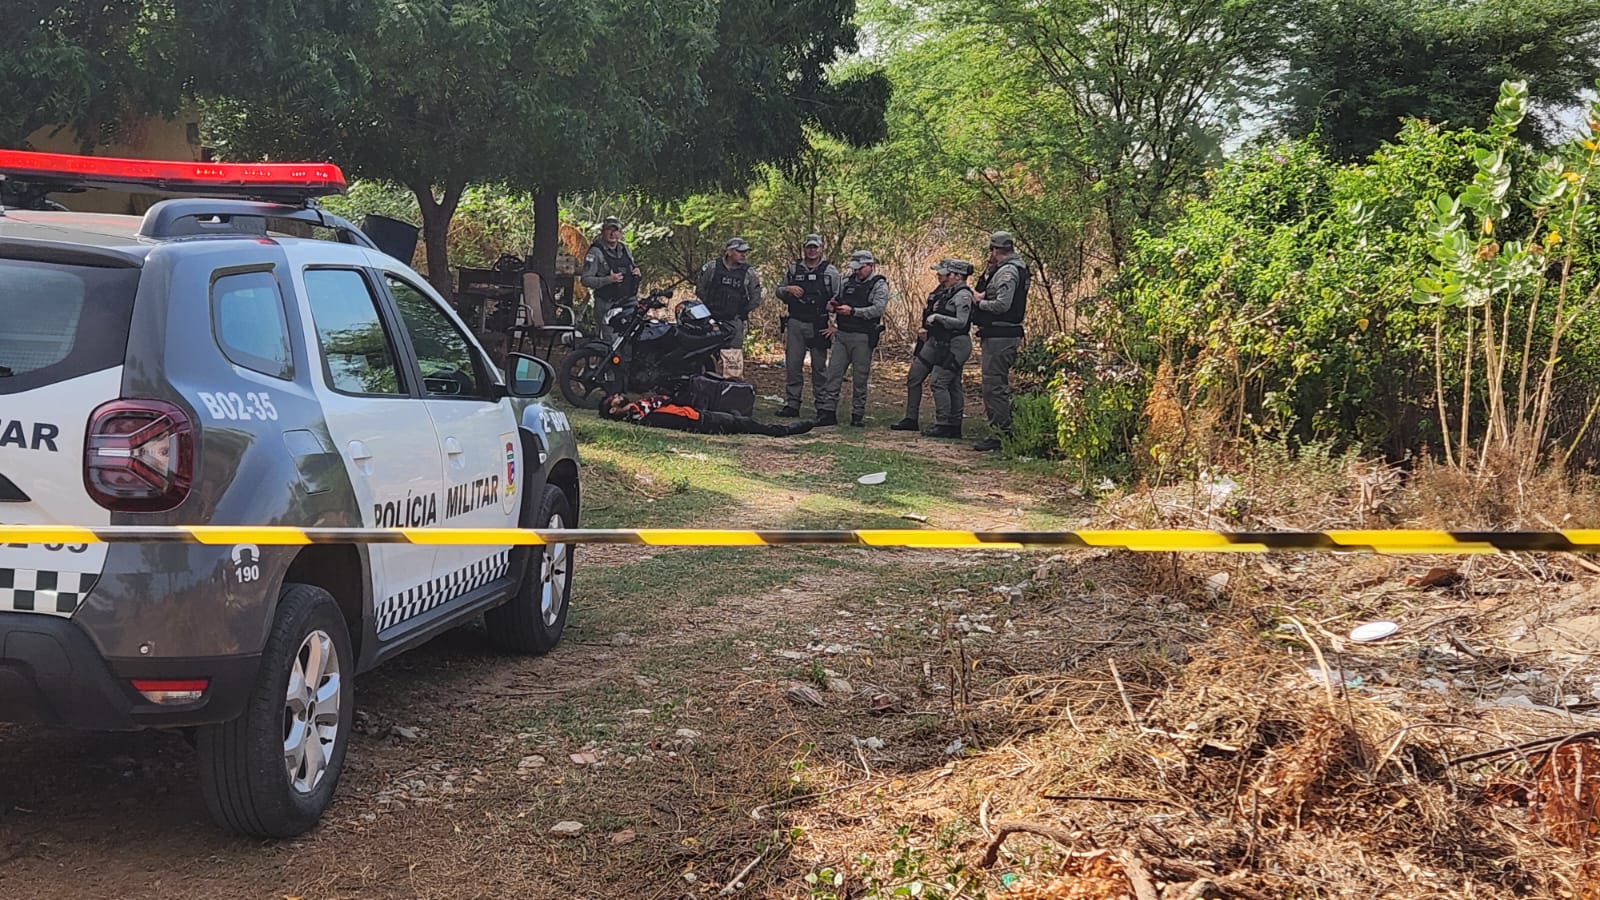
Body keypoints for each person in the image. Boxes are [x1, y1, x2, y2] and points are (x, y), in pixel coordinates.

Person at [891, 258, 974, 438]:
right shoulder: (943, 292)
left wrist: (938, 318)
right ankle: (911, 418)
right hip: (935, 341)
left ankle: (947, 424)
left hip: (955, 344)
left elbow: (962, 322)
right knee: (915, 376)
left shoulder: (963, 295)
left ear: (957, 276)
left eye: (945, 274)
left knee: (942, 381)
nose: (940, 276)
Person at [970, 231, 1030, 451]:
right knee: (994, 384)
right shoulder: (1009, 268)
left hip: (1001, 335)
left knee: (994, 385)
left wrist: (979, 302)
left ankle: (1000, 434)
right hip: (998, 334)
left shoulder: (1008, 272)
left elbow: (1003, 305)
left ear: (995, 250)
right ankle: (1003, 430)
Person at [815, 250, 889, 427]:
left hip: (863, 336)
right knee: (833, 374)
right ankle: (827, 412)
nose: (857, 271)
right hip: (842, 335)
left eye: (860, 268)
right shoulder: (847, 282)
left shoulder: (879, 285)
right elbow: (835, 299)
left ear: (870, 266)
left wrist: (854, 311)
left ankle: (857, 414)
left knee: (860, 378)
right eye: (855, 268)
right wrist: (833, 306)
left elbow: (877, 309)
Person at [775, 233, 841, 418]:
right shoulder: (794, 269)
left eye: (815, 247)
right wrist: (787, 289)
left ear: (821, 249)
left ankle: (822, 406)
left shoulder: (830, 272)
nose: (812, 250)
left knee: (819, 367)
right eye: (809, 247)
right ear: (804, 248)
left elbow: (840, 297)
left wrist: (835, 325)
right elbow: (778, 291)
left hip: (819, 324)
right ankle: (792, 404)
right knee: (793, 365)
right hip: (796, 322)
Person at [599, 392, 814, 437]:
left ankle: (736, 418)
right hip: (699, 421)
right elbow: (662, 399)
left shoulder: (638, 411)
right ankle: (783, 431)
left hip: (697, 416)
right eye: (614, 399)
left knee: (736, 421)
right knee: (745, 424)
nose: (618, 396)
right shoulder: (638, 412)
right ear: (612, 410)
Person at [696, 237, 762, 378]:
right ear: (730, 251)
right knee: (705, 354)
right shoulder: (712, 267)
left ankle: (732, 385)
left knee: (733, 359)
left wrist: (740, 313)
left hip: (734, 321)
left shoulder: (749, 273)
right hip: (710, 320)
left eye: (745, 252)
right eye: (739, 251)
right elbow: (701, 290)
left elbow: (755, 298)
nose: (743, 255)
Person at [581, 216, 641, 339]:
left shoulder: (625, 249)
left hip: (628, 303)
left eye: (616, 230)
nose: (612, 234)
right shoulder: (596, 252)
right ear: (603, 232)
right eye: (609, 230)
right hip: (607, 305)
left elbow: (631, 268)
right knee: (610, 343)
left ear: (620, 233)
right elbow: (585, 280)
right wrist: (608, 280)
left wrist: (636, 272)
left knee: (632, 340)